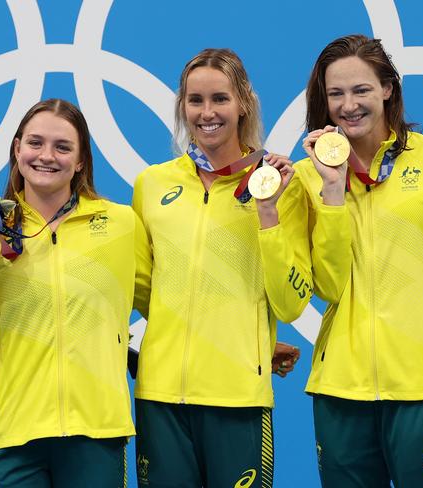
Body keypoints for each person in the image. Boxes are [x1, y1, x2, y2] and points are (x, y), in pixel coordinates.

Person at [131, 48, 351, 487]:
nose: (207, 113)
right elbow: (142, 290)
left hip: (239, 401)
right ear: (183, 107)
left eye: (220, 99)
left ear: (244, 103)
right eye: (195, 101)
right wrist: (219, 331)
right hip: (160, 398)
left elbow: (290, 304)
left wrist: (267, 212)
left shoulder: (282, 185)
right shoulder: (153, 184)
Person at [0, 98, 152, 487]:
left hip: (96, 432)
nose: (46, 156)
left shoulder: (120, 223)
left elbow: (162, 304)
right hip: (12, 435)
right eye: (34, 143)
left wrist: (240, 343)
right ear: (17, 149)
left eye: (63, 147)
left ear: (81, 159)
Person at [299, 34, 423, 488]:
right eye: (336, 94)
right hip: (340, 390)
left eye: (361, 90)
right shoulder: (306, 177)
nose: (348, 105)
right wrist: (332, 190)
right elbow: (328, 285)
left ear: (388, 88)